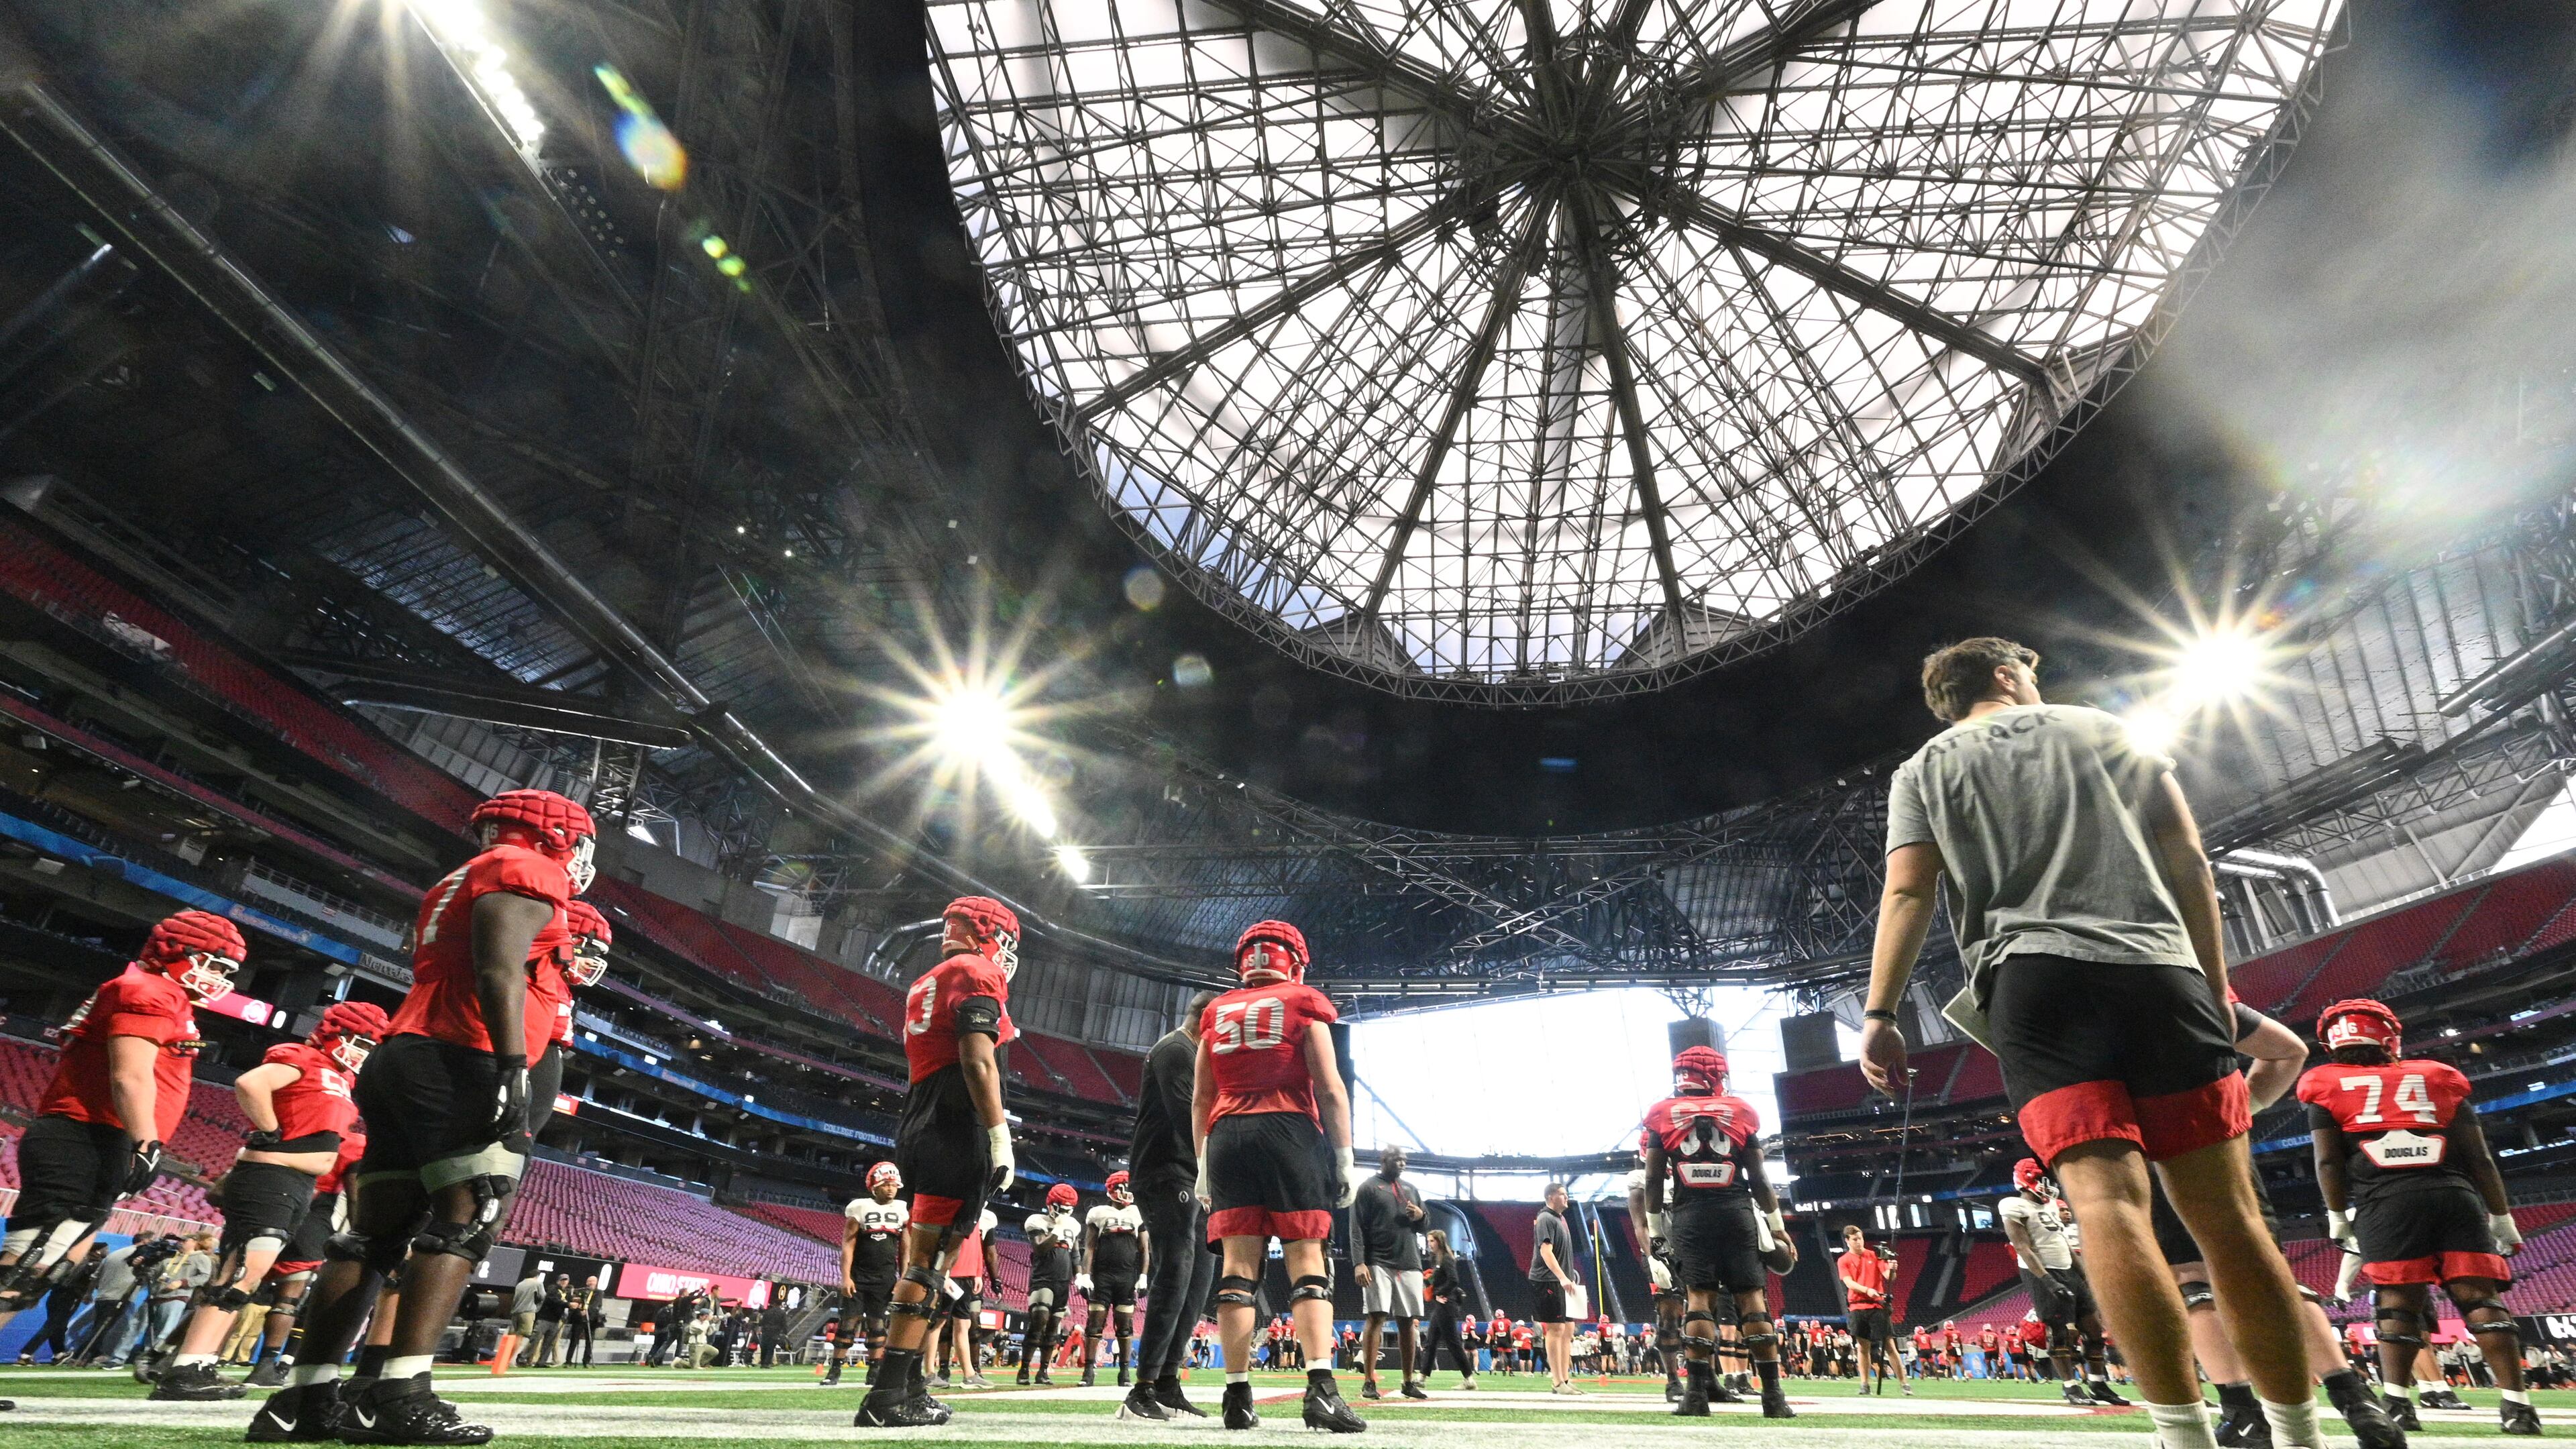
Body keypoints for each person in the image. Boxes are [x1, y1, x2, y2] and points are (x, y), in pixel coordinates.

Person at [1860, 638, 2318, 1449]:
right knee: (2229, 1219)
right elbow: (2187, 855)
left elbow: (1908, 890)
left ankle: (2182, 1435)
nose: (2036, 683)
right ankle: (2298, 1434)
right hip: (2155, 967)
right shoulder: (2101, 727)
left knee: (2105, 1206)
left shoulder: (1922, 771)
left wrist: (1881, 1015)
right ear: (2006, 676)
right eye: (2027, 672)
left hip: (2033, 988)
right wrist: (2210, 985)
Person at [247, 788, 594, 1446]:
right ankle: (399, 1394)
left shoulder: (461, 876)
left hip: (408, 1051)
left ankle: (304, 1401)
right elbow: (498, 968)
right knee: (466, 1223)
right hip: (464, 1054)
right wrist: (513, 1066)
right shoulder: (533, 868)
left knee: (370, 1240)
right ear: (556, 835)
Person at [2150, 1000, 2403, 1448]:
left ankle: (2242, 1410)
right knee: (2271, 1274)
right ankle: (2356, 1401)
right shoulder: (2187, 984)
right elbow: (2288, 1051)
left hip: (2153, 1140)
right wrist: (2240, 1110)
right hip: (2220, 1137)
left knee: (2192, 1277)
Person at [0, 909, 244, 1362]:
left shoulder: (168, 996)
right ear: (176, 953)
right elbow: (129, 1075)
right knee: (31, 1257)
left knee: (49, 1264)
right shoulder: (148, 990)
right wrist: (147, 1142)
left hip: (101, 1139)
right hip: (83, 1136)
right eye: (211, 963)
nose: (217, 978)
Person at [2300, 996, 2538, 1437]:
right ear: (2388, 1036)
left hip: (2386, 1203)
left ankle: (2397, 1404)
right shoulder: (2436, 1077)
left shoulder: (2324, 1086)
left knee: (2397, 1306)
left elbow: (2329, 1163)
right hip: (2454, 1195)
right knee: (2481, 1301)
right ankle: (2518, 1407)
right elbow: (2481, 1159)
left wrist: (2336, 1213)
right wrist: (2501, 1215)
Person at [152, 1000, 384, 1399]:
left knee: (246, 1273)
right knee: (243, 1272)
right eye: (359, 1041)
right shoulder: (304, 1057)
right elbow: (251, 1083)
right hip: (272, 1177)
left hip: (295, 1184)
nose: (363, 1051)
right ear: (337, 1033)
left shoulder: (338, 1076)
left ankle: (194, 1362)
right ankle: (184, 1367)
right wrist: (271, 1130)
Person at [1191, 919, 1365, 1432]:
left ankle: (1237, 1397)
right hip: (1289, 1132)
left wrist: (1203, 1163)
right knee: (1307, 1262)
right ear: (1293, 960)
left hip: (1226, 1140)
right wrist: (1344, 1156)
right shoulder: (1303, 1001)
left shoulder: (1215, 1011)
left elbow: (1202, 1097)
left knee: (1237, 1271)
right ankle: (1321, 1391)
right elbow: (1330, 1088)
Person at [855, 896, 1020, 1428]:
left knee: (928, 1262)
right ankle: (885, 1398)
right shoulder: (977, 970)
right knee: (931, 1265)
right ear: (987, 933)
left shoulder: (928, 978)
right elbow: (976, 1059)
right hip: (955, 1118)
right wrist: (999, 1134)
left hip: (921, 1112)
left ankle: (909, 1387)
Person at [1640, 1045, 1795, 1419]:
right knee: (1751, 1299)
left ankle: (1695, 1396)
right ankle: (1773, 1398)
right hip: (1736, 1212)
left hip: (1691, 1216)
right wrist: (1777, 1229)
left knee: (1699, 1299)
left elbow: (1652, 1181)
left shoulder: (1663, 1113)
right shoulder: (1740, 1110)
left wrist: (1657, 1232)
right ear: (1715, 1076)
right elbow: (1759, 1178)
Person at [1126, 990, 1218, 1420]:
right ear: (1203, 1017)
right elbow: (1188, 1117)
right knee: (1176, 1269)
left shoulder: (1195, 1054)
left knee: (1200, 1276)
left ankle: (1167, 1379)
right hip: (1164, 1172)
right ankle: (1141, 1387)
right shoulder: (1176, 1050)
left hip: (1191, 1176)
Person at [2000, 1157, 2124, 1407]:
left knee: (2094, 1332)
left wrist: (2085, 1276)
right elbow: (2023, 1248)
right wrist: (2048, 1281)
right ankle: (2070, 1387)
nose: (2047, 1185)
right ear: (2028, 1180)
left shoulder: (2051, 1207)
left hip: (2067, 1269)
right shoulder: (2014, 1206)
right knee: (2060, 1334)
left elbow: (2064, 1244)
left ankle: (2098, 1383)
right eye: (2042, 1180)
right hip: (2043, 1273)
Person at [1351, 1144, 1428, 1401]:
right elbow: (1357, 1227)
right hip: (1378, 1261)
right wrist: (1359, 1263)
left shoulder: (1411, 1189)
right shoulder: (1368, 1187)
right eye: (1398, 1159)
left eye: (1405, 1160)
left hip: (1409, 1261)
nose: (1403, 1164)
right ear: (1384, 1160)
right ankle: (1369, 1381)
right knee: (1377, 1316)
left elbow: (1425, 1226)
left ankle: (1408, 1381)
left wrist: (1420, 1216)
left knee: (1408, 1321)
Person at [836, 1161, 909, 1387]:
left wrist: (904, 1277)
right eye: (886, 1184)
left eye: (894, 1185)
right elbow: (848, 1244)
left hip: (886, 1276)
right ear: (875, 1186)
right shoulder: (860, 1207)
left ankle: (874, 1371)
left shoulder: (902, 1209)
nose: (891, 1189)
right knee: (848, 1322)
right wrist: (846, 1276)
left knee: (878, 1324)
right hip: (859, 1274)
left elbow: (906, 1246)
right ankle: (835, 1370)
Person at [1078, 1171, 1145, 1388]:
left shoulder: (1138, 1213)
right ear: (1113, 1190)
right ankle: (1088, 1370)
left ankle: (1125, 1372)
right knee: (1094, 1325)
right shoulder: (1098, 1213)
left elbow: (1145, 1250)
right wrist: (1085, 1275)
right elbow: (1089, 1247)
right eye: (1123, 1187)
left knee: (1125, 1327)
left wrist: (1143, 1276)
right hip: (1102, 1276)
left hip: (1127, 1276)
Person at [1020, 1182, 1079, 1387]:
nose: (1064, 1214)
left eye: (1068, 1210)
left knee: (1053, 1328)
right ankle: (1024, 1369)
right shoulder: (1037, 1221)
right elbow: (1040, 1248)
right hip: (1043, 1279)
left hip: (1063, 1282)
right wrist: (1057, 1229)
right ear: (1052, 1205)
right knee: (1038, 1322)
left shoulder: (1074, 1226)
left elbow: (1075, 1254)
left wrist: (1080, 1275)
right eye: (1062, 1209)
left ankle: (1043, 1371)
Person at [1837, 1225, 1905, 1395]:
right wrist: (1867, 1290)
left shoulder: (1875, 1255)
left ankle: (1904, 1383)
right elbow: (1849, 1283)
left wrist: (1892, 1268)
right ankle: (1865, 1384)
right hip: (1857, 1306)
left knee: (1889, 1345)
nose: (1859, 1242)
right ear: (1847, 1241)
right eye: (1855, 1239)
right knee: (1862, 1347)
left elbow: (1890, 1278)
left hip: (1877, 1305)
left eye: (1860, 1238)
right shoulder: (1843, 1260)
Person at [1421, 1228, 1477, 1390]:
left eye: (1432, 1241)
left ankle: (1469, 1380)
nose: (1429, 1244)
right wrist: (1429, 1283)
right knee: (1431, 1342)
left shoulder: (1446, 1258)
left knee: (1453, 1343)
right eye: (1428, 1241)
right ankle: (1422, 1377)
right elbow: (1439, 1279)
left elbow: (1454, 1280)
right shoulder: (1436, 1259)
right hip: (1441, 1305)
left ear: (1439, 1241)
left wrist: (1439, 1293)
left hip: (1447, 1304)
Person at [562, 1276, 599, 1369]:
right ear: (587, 1282)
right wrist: (580, 1311)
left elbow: (596, 1305)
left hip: (591, 1319)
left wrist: (587, 1311)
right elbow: (574, 1301)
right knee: (574, 1340)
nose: (591, 1283)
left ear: (596, 1282)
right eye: (590, 1281)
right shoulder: (581, 1291)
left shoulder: (599, 1292)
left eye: (593, 1281)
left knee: (589, 1341)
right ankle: (568, 1361)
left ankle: (586, 1361)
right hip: (578, 1318)